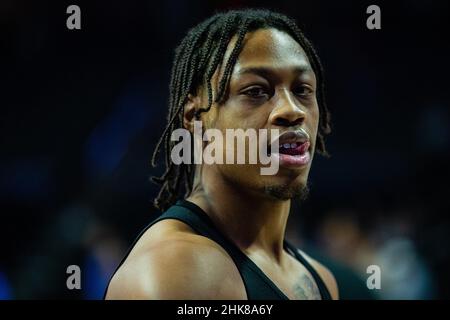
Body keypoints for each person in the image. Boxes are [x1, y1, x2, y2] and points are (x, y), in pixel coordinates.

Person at [105, 8, 338, 300]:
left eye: (303, 89)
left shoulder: (321, 278)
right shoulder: (177, 267)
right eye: (256, 91)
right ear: (194, 116)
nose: (292, 109)